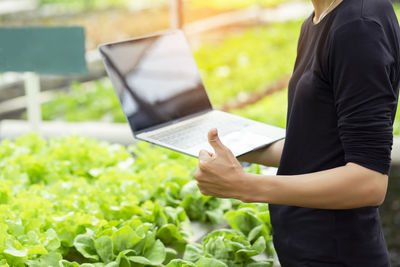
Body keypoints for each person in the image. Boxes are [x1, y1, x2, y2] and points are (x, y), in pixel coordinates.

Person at [193, 0, 400, 266]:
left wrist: (244, 186)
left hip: (337, 255)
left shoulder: (359, 28)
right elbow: (315, 147)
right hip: (304, 250)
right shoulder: (316, 20)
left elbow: (368, 182)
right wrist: (227, 144)